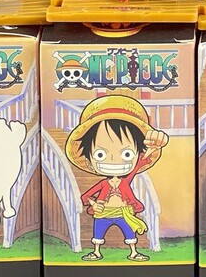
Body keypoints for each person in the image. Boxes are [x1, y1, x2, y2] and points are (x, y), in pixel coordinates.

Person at [65, 96, 168, 261]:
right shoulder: (103, 183)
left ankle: (133, 252)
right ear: (89, 158)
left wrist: (153, 147)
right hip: (103, 213)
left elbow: (142, 161)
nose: (113, 160)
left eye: (127, 154)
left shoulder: (126, 180)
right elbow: (85, 196)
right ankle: (96, 251)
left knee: (130, 233)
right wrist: (94, 203)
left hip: (123, 212)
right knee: (98, 234)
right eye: (100, 154)